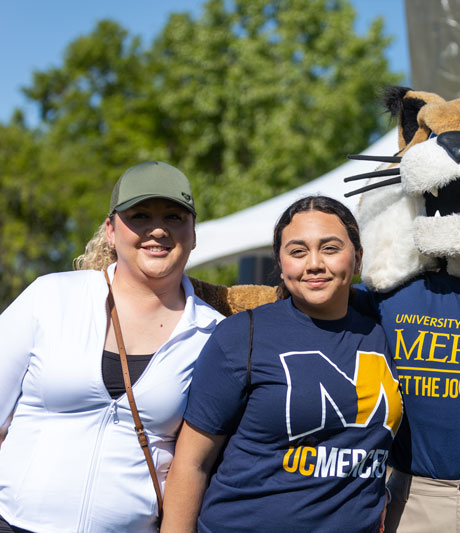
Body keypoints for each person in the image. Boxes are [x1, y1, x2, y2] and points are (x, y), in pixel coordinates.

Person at [0, 161, 223, 533]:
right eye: (139, 216)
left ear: (193, 232)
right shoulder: (50, 297)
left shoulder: (215, 335)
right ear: (110, 230)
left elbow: (199, 464)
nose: (157, 230)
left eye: (173, 216)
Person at [162, 196, 403, 533]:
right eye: (298, 251)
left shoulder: (387, 331)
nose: (315, 263)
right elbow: (191, 463)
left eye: (331, 248)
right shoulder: (241, 335)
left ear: (358, 257)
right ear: (280, 262)